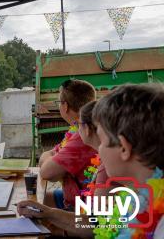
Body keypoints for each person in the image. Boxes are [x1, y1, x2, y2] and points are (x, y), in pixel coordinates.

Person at [18, 84, 164, 238]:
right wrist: (49, 214)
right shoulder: (140, 193)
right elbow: (101, 225)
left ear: (123, 148)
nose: (98, 150)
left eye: (102, 140)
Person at [39, 79, 97, 210]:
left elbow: (47, 173)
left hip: (85, 205)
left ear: (65, 106)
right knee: (36, 200)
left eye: (59, 103)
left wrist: (51, 159)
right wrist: (52, 158)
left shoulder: (82, 136)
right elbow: (51, 153)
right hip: (74, 197)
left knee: (33, 207)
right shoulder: (77, 129)